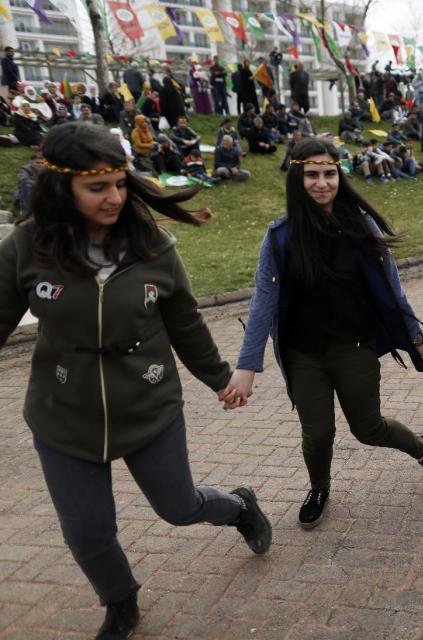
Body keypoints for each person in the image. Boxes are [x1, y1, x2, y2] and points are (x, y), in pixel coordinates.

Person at [0, 122, 271, 639]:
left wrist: (220, 378)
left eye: (120, 184)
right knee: (86, 531)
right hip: (63, 414)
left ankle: (238, 506)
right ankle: (121, 600)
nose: (115, 198)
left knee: (179, 507)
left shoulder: (153, 246)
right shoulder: (26, 247)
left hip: (148, 405)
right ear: (62, 187)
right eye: (98, 187)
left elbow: (186, 321)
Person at [227, 137, 423, 527]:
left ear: (339, 176)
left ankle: (421, 448)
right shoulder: (279, 237)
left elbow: (391, 292)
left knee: (369, 429)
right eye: (311, 174)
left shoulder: (359, 228)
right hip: (303, 354)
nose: (321, 182)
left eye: (329, 173)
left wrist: (419, 341)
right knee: (317, 434)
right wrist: (247, 367)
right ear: (297, 178)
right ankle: (319, 486)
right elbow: (263, 301)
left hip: (354, 347)